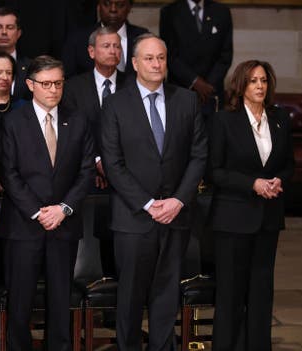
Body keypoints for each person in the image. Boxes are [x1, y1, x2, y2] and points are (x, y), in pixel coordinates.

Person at [98, 33, 207, 350]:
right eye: (149, 58)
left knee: (166, 294)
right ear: (134, 63)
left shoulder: (186, 100)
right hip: (133, 218)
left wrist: (177, 200)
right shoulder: (116, 104)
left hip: (176, 216)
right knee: (131, 296)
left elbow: (199, 155)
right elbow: (113, 163)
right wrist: (147, 204)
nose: (157, 63)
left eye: (161, 57)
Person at [0, 55, 95, 351]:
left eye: (58, 83)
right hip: (24, 225)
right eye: (46, 83)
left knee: (60, 300)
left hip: (63, 226)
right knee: (20, 302)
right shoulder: (13, 122)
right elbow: (9, 173)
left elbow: (86, 170)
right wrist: (37, 212)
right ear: (30, 85)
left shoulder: (78, 120)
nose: (53, 89)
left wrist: (63, 209)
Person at [209, 60, 294, 351]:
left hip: (268, 219)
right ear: (241, 85)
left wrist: (278, 182)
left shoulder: (280, 118)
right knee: (231, 294)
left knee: (261, 293)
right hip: (232, 219)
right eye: (253, 81)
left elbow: (288, 165)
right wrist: (253, 184)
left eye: (264, 81)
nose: (259, 86)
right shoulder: (224, 120)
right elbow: (215, 171)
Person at [62, 26, 126, 278]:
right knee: (85, 249)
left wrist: (113, 166)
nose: (113, 50)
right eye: (106, 46)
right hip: (86, 176)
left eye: (117, 46)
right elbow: (73, 132)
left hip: (124, 178)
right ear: (91, 51)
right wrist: (96, 162)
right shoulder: (73, 87)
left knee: (118, 249)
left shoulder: (133, 84)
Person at [160, 0, 233, 117]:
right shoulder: (169, 12)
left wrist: (207, 86)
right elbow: (169, 55)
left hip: (211, 93)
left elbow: (225, 55)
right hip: (180, 90)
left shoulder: (222, 11)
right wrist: (195, 81)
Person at [62, 0, 148, 78]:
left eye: (120, 5)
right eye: (106, 4)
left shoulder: (143, 38)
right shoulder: (78, 39)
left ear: (129, 7)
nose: (113, 9)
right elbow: (69, 80)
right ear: (98, 5)